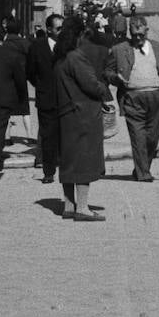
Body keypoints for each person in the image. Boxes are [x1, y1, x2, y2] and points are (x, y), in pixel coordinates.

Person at [52, 16, 112, 221]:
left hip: (66, 115)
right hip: (83, 116)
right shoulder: (76, 57)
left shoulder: (60, 57)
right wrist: (103, 88)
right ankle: (83, 207)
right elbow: (91, 85)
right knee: (84, 160)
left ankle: (69, 205)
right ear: (78, 35)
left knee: (68, 161)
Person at [106, 17, 159, 182]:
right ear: (129, 32)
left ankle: (142, 168)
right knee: (138, 137)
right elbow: (107, 71)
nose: (137, 38)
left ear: (147, 31)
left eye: (141, 35)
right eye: (134, 35)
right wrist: (116, 77)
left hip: (156, 98)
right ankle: (144, 173)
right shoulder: (119, 49)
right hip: (132, 98)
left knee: (152, 138)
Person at [25, 13, 63, 184]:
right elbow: (30, 72)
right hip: (46, 97)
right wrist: (41, 86)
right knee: (47, 136)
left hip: (65, 98)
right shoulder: (37, 47)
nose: (62, 32)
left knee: (65, 134)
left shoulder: (68, 46)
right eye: (59, 28)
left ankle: (66, 166)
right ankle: (48, 171)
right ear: (49, 29)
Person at [0, 16, 30, 173]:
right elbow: (20, 78)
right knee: (1, 126)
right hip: (6, 94)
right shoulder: (12, 53)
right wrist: (21, 95)